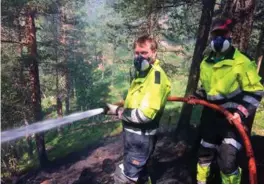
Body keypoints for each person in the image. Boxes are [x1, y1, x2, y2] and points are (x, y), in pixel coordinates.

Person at [190, 18, 264, 184]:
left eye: (223, 35)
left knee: (227, 161)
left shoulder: (243, 61)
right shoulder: (206, 62)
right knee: (204, 154)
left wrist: (240, 113)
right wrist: (197, 96)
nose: (219, 39)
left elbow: (256, 91)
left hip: (231, 121)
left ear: (230, 35)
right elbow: (207, 89)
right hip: (210, 117)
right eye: (216, 35)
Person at [105, 35, 171, 183]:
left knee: (124, 178)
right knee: (141, 176)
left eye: (144, 53)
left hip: (141, 140)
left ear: (154, 53)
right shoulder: (142, 75)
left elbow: (144, 115)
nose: (140, 57)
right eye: (137, 53)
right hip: (134, 139)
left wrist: (118, 112)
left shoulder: (156, 78)